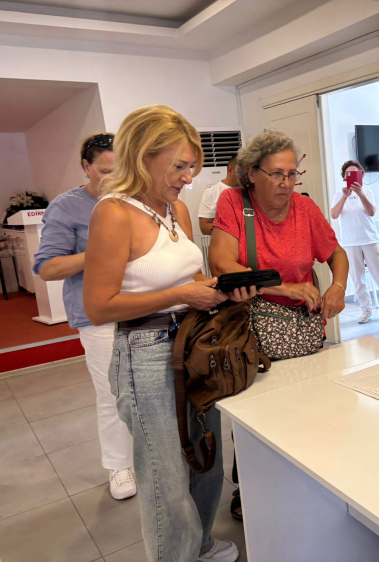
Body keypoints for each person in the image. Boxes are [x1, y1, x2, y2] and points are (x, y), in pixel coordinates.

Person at [84, 105, 246, 562]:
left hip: (193, 344)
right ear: (143, 156)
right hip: (146, 353)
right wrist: (181, 294)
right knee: (166, 476)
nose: (188, 178)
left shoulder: (176, 209)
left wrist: (219, 289)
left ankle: (200, 545)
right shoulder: (114, 213)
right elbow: (98, 306)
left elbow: (190, 276)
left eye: (191, 167)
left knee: (205, 459)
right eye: (179, 166)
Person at [32, 133, 137, 501]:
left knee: (150, 390)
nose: (114, 179)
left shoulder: (134, 198)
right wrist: (102, 250)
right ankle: (119, 465)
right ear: (86, 167)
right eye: (106, 171)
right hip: (98, 315)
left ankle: (152, 455)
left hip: (143, 307)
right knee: (113, 393)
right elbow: (47, 268)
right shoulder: (67, 207)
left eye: (121, 170)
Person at [209, 129, 348, 321]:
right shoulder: (233, 202)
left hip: (301, 324)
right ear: (252, 173)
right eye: (276, 174)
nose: (286, 183)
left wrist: (339, 287)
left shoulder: (305, 208)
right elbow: (221, 265)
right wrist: (285, 288)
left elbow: (337, 254)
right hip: (249, 323)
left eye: (292, 174)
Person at [330, 160, 379, 323]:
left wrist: (360, 194)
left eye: (355, 174)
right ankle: (366, 309)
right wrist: (345, 197)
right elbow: (334, 215)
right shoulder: (339, 195)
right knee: (358, 279)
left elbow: (371, 212)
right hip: (350, 242)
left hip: (369, 240)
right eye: (348, 174)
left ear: (361, 175)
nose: (351, 177)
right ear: (344, 177)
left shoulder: (367, 192)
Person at [198, 154, 240, 235]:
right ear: (230, 170)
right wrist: (234, 230)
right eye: (242, 172)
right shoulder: (211, 192)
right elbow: (204, 227)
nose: (246, 176)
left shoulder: (252, 191)